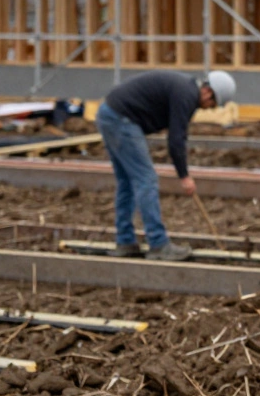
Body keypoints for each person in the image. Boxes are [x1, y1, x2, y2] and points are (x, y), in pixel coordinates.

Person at [97, 70, 237, 261]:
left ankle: (125, 241)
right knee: (146, 180)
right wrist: (184, 176)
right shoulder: (187, 95)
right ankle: (158, 244)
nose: (209, 108)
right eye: (212, 104)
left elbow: (178, 134)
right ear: (208, 92)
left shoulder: (185, 91)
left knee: (127, 182)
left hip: (110, 114)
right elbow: (176, 140)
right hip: (121, 120)